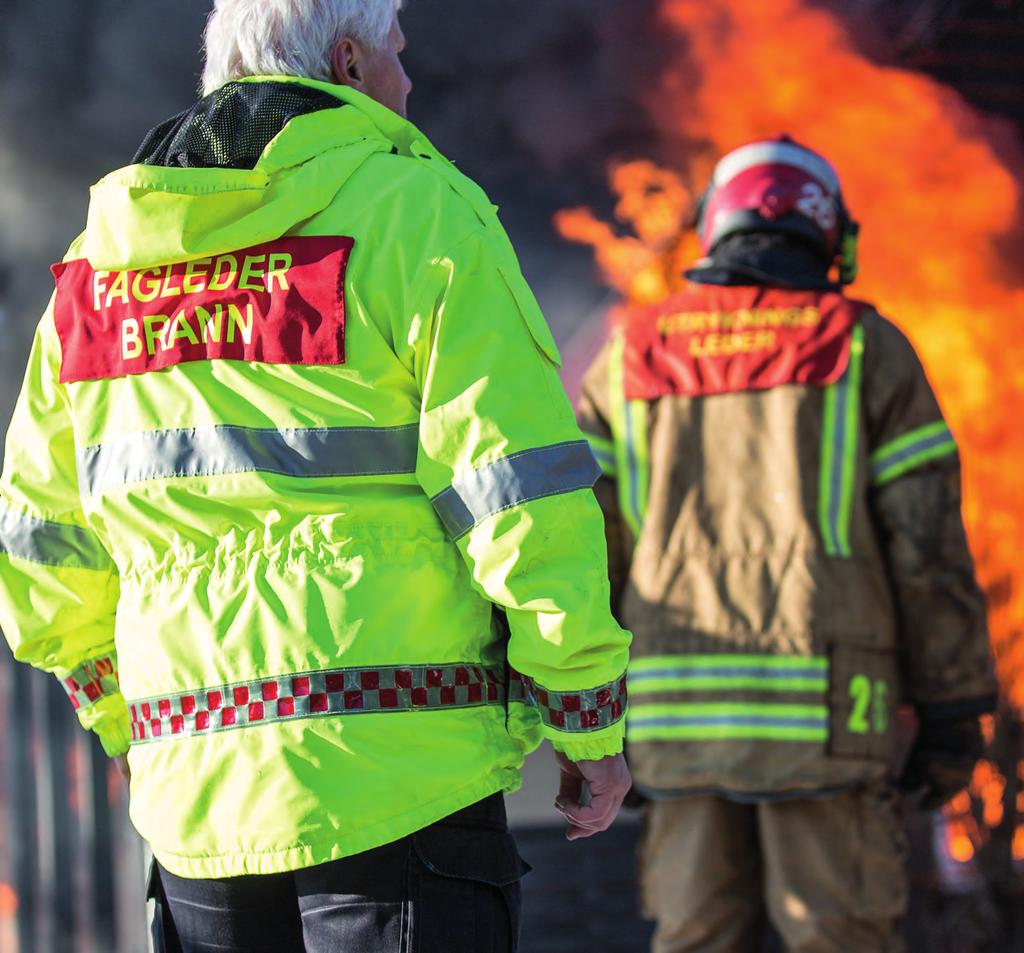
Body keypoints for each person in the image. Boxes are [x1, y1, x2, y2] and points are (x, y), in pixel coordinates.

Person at [0, 2, 632, 950]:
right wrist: (585, 720)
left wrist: (132, 722)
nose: (409, 85)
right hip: (405, 788)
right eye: (399, 58)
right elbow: (518, 494)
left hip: (196, 815)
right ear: (348, 62)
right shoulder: (417, 210)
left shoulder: (95, 272)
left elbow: (37, 542)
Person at [577, 137, 997, 953]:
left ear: (715, 231)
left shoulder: (629, 354)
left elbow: (583, 554)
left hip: (675, 729)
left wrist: (592, 721)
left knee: (696, 938)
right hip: (833, 726)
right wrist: (953, 708)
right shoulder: (869, 348)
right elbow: (928, 552)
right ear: (828, 235)